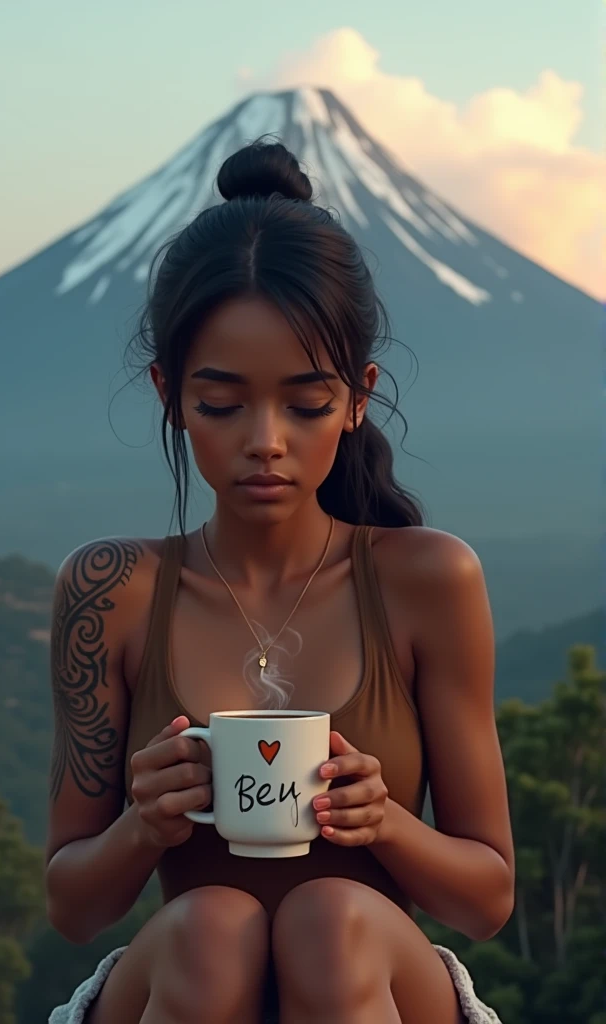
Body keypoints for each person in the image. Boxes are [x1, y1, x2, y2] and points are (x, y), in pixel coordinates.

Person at [45, 140, 514, 1024]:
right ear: (169, 393)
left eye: (306, 404)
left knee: (331, 922)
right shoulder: (112, 588)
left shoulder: (426, 579)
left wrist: (385, 822)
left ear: (359, 396)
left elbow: (486, 898)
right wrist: (142, 824)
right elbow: (73, 904)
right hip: (181, 983)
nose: (266, 439)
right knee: (211, 928)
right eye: (221, 404)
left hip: (374, 984)